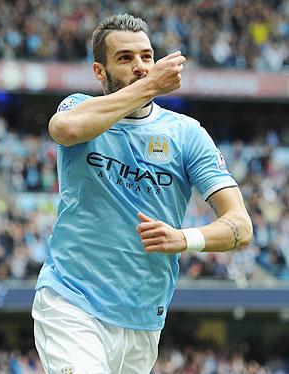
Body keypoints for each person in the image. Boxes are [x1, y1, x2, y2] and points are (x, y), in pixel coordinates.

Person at [32, 14, 253, 374]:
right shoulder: (78, 108)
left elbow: (241, 227)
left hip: (143, 319)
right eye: (125, 58)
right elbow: (67, 129)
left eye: (147, 57)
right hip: (70, 301)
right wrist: (151, 86)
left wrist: (184, 238)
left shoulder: (186, 135)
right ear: (99, 71)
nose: (140, 67)